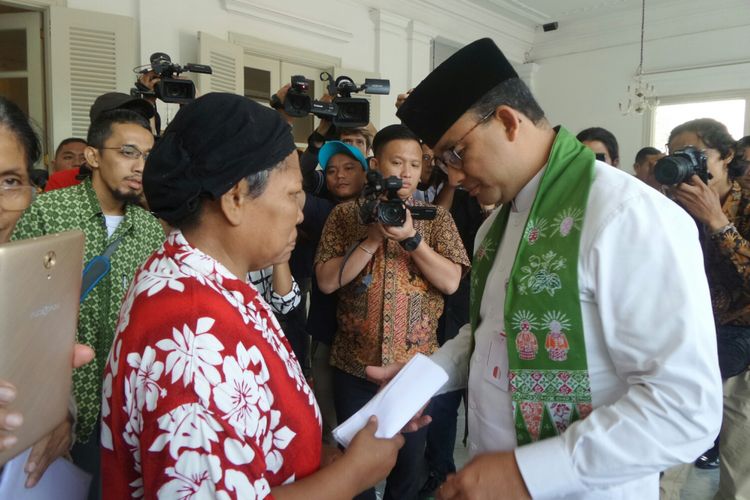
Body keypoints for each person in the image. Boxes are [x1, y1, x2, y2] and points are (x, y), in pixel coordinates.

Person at [380, 38, 722, 499]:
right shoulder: (494, 228)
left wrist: (528, 473)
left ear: (506, 121)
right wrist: (426, 377)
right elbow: (491, 334)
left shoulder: (627, 215)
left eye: (456, 154)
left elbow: (686, 409)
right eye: (442, 162)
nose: (454, 178)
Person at [100, 92, 405, 498]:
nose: (300, 213)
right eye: (293, 195)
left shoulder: (203, 278)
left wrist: (320, 457)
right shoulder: (191, 338)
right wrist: (354, 474)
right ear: (236, 198)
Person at [11, 108, 165, 496]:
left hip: (123, 403)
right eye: (128, 152)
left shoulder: (149, 227)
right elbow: (19, 316)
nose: (139, 166)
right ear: (94, 157)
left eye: (147, 156)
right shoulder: (48, 211)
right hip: (59, 404)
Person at [316, 124, 470, 500]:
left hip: (413, 370)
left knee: (408, 468)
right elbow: (325, 281)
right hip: (354, 365)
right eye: (396, 162)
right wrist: (371, 239)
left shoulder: (437, 218)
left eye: (414, 165)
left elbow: (451, 282)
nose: (404, 173)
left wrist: (410, 238)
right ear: (375, 164)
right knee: (356, 473)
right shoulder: (345, 216)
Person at [666, 118, 750, 497]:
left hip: (742, 353)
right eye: (677, 156)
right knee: (665, 461)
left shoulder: (747, 203)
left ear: (727, 155)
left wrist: (716, 220)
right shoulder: (668, 206)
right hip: (683, 344)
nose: (685, 164)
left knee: (739, 473)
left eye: (695, 155)